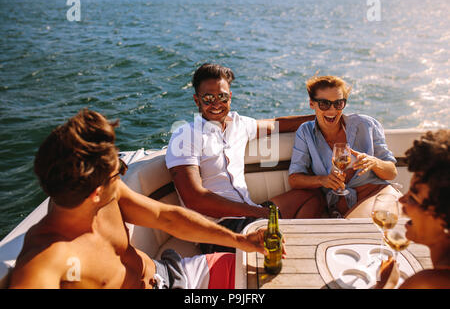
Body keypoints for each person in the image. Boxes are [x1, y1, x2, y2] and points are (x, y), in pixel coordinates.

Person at [8, 109, 274, 289]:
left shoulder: (108, 198)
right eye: (119, 172)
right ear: (95, 192)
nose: (123, 175)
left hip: (170, 274)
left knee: (259, 273)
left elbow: (165, 217)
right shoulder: (44, 262)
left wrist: (239, 240)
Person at [165, 63, 315, 254]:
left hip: (252, 216)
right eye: (208, 98)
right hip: (220, 229)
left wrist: (322, 116)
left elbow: (276, 124)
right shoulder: (185, 135)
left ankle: (293, 249)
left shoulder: (239, 124)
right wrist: (256, 212)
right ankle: (285, 248)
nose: (216, 103)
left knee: (311, 197)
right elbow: (194, 198)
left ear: (230, 96)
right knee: (272, 231)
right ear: (197, 100)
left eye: (222, 96)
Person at [287, 75, 399, 218]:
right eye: (324, 104)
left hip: (378, 195)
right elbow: (294, 179)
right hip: (343, 207)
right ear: (312, 104)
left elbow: (392, 173)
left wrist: (374, 162)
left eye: (338, 103)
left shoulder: (367, 125)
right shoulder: (306, 132)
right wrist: (322, 180)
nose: (332, 110)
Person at [375, 130, 450, 289]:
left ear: (444, 217)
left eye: (414, 197)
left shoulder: (428, 282)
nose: (402, 200)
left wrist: (386, 284)